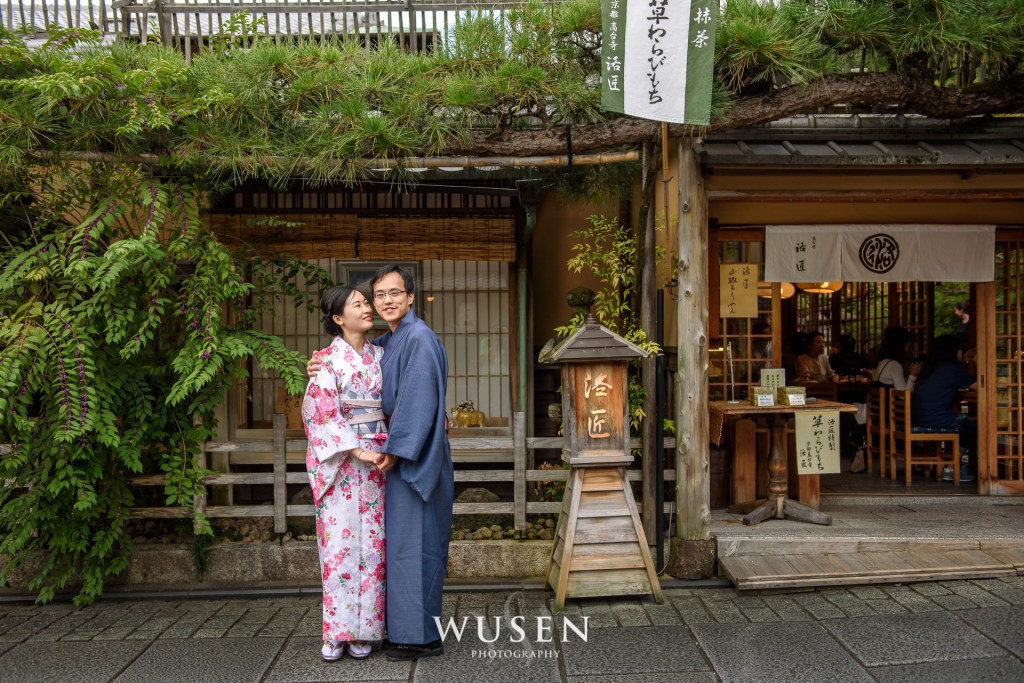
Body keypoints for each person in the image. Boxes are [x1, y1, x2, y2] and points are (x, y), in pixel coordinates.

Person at [308, 265, 453, 661]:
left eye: (395, 293)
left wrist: (395, 448)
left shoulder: (415, 339)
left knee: (402, 548)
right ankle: (354, 630)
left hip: (405, 455)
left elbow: (418, 400)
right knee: (361, 548)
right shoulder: (376, 347)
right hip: (372, 457)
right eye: (377, 296)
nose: (385, 302)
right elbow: (328, 404)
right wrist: (318, 365)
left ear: (410, 297)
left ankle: (409, 635)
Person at [302, 285, 388, 662]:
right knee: (339, 547)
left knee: (373, 546)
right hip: (342, 463)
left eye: (366, 302)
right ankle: (337, 631)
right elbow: (319, 413)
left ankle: (366, 628)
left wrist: (380, 448)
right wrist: (355, 449)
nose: (368, 308)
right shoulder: (326, 361)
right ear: (338, 319)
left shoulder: (381, 355)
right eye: (359, 304)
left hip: (377, 461)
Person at [912, 334, 977, 484]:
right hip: (937, 418)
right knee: (975, 426)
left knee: (966, 422)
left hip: (919, 417)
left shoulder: (930, 366)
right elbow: (978, 387)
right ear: (955, 351)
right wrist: (974, 362)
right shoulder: (953, 368)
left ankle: (951, 465)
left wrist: (966, 361)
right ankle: (951, 467)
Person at [872, 326, 922, 391]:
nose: (909, 348)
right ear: (901, 344)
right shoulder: (894, 365)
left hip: (882, 400)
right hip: (891, 401)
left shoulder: (882, 362)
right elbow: (903, 396)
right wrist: (913, 375)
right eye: (907, 344)